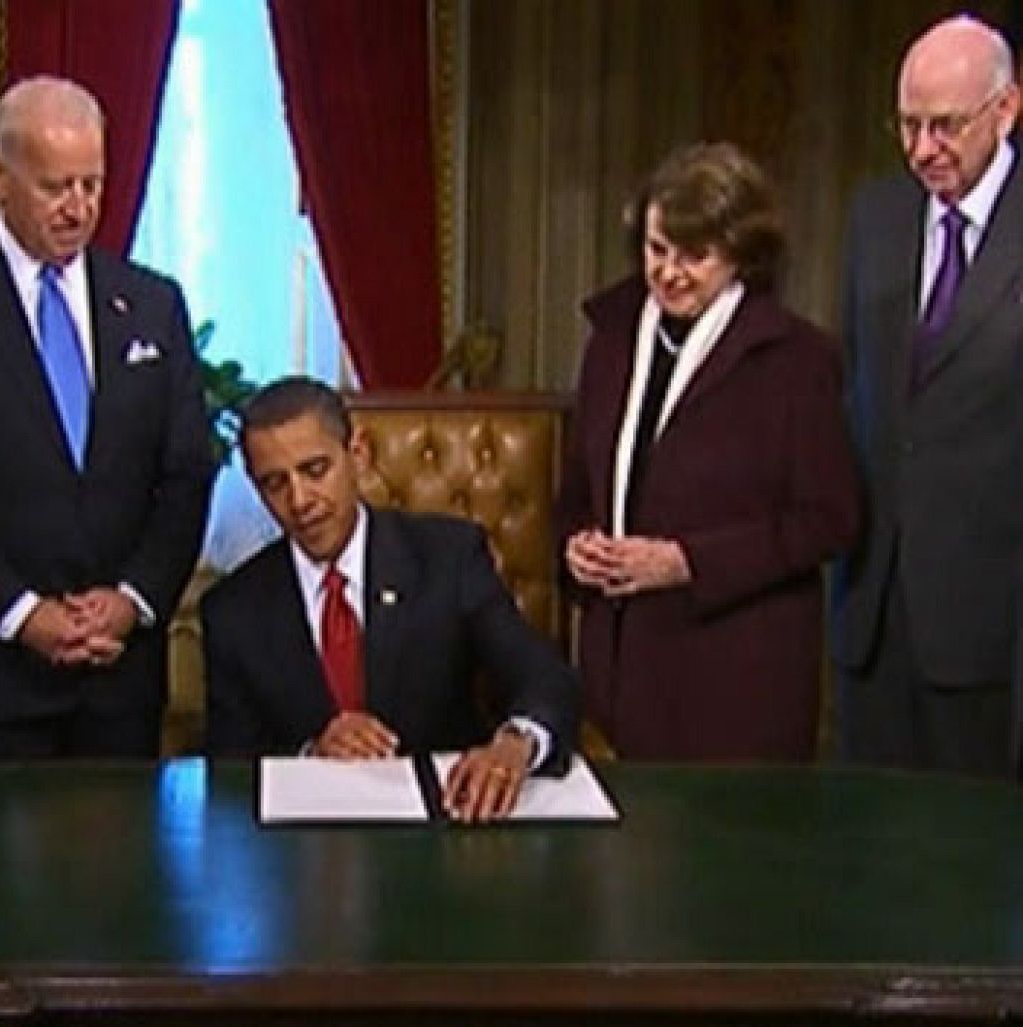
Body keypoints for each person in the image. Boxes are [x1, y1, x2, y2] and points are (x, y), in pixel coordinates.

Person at [0, 75, 215, 761]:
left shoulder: (151, 303)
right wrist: (24, 613)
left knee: (124, 868)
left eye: (92, 184)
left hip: (120, 671)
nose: (78, 208)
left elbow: (185, 472)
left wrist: (133, 597)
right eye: (56, 186)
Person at [556, 142, 859, 762]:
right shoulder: (611, 341)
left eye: (694, 256)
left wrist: (687, 562)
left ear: (741, 259)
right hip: (620, 675)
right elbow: (580, 486)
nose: (669, 273)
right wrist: (578, 545)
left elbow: (829, 520)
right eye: (656, 249)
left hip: (738, 685)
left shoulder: (796, 361)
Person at [202, 378, 577, 819]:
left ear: (357, 454)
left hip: (446, 831)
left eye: (315, 470)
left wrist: (516, 742)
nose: (299, 500)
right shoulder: (232, 609)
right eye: (273, 483)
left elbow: (543, 676)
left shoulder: (449, 558)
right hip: (304, 854)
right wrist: (309, 753)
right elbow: (230, 765)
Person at [834, 16, 1023, 777]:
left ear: (1006, 111)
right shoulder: (875, 219)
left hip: (990, 628)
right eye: (907, 125)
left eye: (944, 126)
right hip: (873, 619)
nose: (921, 150)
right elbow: (859, 398)